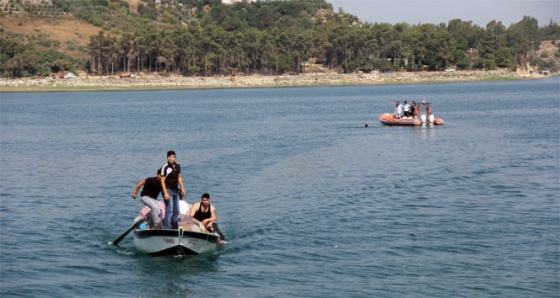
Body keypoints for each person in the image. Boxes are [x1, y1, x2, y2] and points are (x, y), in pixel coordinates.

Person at [159, 150, 186, 229]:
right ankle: (166, 228)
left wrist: (182, 188)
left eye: (172, 157)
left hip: (176, 191)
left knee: (176, 210)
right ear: (167, 158)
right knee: (169, 209)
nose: (171, 158)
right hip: (168, 190)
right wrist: (165, 193)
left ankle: (175, 227)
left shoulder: (178, 165)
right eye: (169, 157)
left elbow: (179, 177)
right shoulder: (165, 167)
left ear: (175, 157)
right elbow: (162, 181)